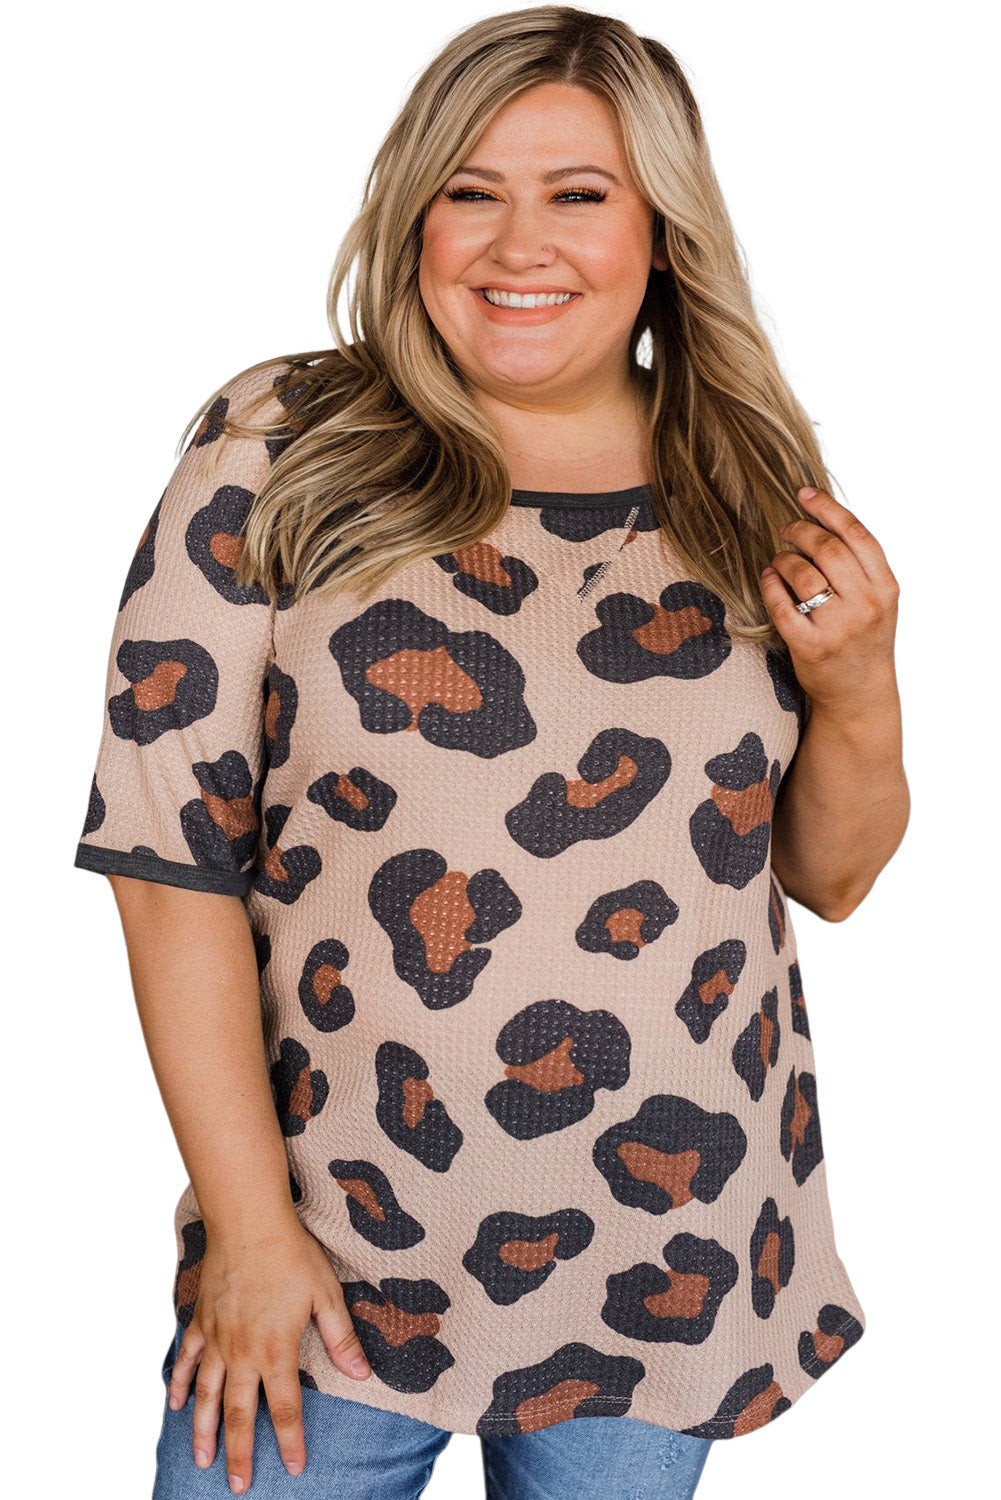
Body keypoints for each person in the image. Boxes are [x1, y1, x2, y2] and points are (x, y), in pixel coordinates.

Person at [73, 7, 908, 1497]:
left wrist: (859, 688)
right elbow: (167, 865)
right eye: (471, 190)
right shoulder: (282, 443)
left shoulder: (744, 479)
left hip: (666, 1252)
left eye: (578, 194)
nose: (519, 243)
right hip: (328, 1266)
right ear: (415, 217)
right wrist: (249, 1231)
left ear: (662, 233)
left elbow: (825, 878)